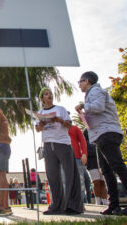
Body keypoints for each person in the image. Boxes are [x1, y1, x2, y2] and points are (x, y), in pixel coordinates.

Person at [75, 71, 126, 215]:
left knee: (118, 167)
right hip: (100, 135)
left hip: (107, 133)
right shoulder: (92, 93)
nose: (79, 85)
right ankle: (114, 204)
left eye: (80, 82)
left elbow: (98, 107)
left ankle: (115, 204)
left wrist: (83, 105)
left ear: (87, 81)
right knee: (106, 171)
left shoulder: (96, 91)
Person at [35, 87, 83, 215]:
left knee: (69, 174)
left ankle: (73, 206)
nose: (49, 95)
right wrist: (42, 124)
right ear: (42, 98)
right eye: (46, 94)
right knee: (52, 176)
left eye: (50, 93)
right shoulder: (40, 112)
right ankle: (56, 206)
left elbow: (69, 125)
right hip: (48, 145)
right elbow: (37, 129)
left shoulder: (60, 109)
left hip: (62, 144)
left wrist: (59, 120)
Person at [84, 129, 107, 205]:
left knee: (103, 182)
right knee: (96, 182)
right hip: (92, 165)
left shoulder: (96, 140)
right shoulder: (86, 142)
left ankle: (104, 200)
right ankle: (98, 200)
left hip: (100, 164)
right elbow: (88, 152)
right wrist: (96, 152)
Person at [68, 122, 88, 206]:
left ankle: (80, 203)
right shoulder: (59, 130)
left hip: (76, 157)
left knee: (80, 180)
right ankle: (68, 203)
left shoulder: (74, 128)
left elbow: (82, 140)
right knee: (66, 180)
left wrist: (84, 154)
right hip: (64, 158)